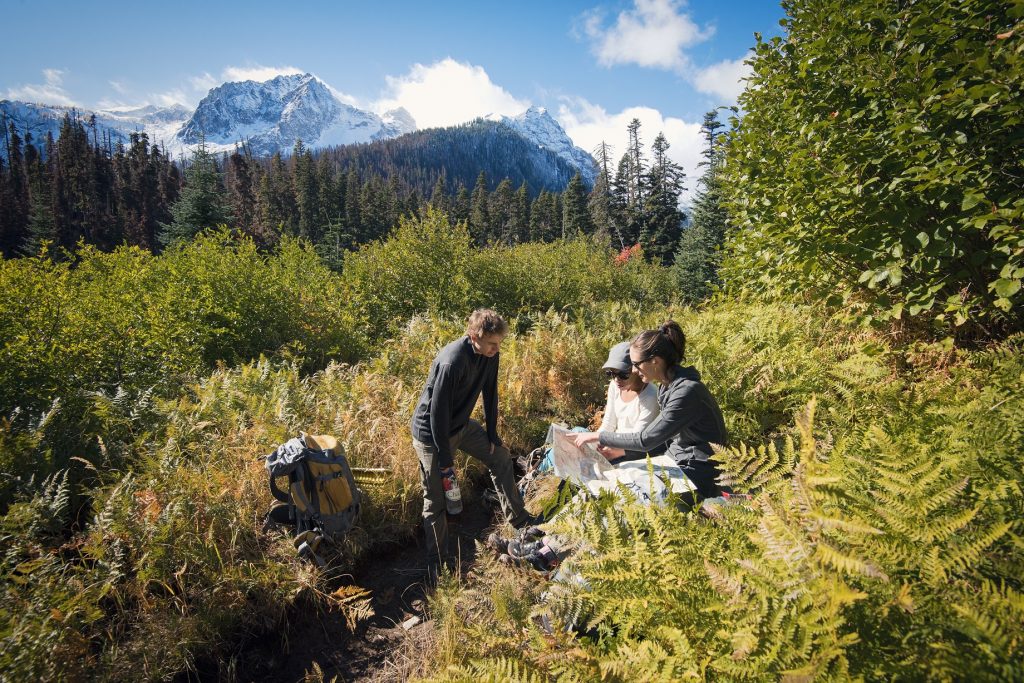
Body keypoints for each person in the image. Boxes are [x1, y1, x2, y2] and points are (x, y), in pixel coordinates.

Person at [411, 308, 536, 575]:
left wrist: (493, 436)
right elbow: (437, 415)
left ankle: (521, 521)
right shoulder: (452, 362)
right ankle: (438, 562)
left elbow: (490, 395)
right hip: (432, 435)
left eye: (499, 343)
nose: (496, 348)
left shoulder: (491, 356)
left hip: (460, 426)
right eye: (492, 343)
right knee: (435, 499)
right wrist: (446, 462)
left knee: (500, 457)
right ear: (474, 335)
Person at [573, 321, 728, 504]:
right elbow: (663, 441)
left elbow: (646, 439)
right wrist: (624, 454)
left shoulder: (686, 392)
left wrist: (599, 436)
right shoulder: (667, 386)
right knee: (607, 479)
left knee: (621, 495)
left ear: (655, 361)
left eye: (636, 364)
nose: (633, 371)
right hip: (674, 460)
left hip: (697, 470)